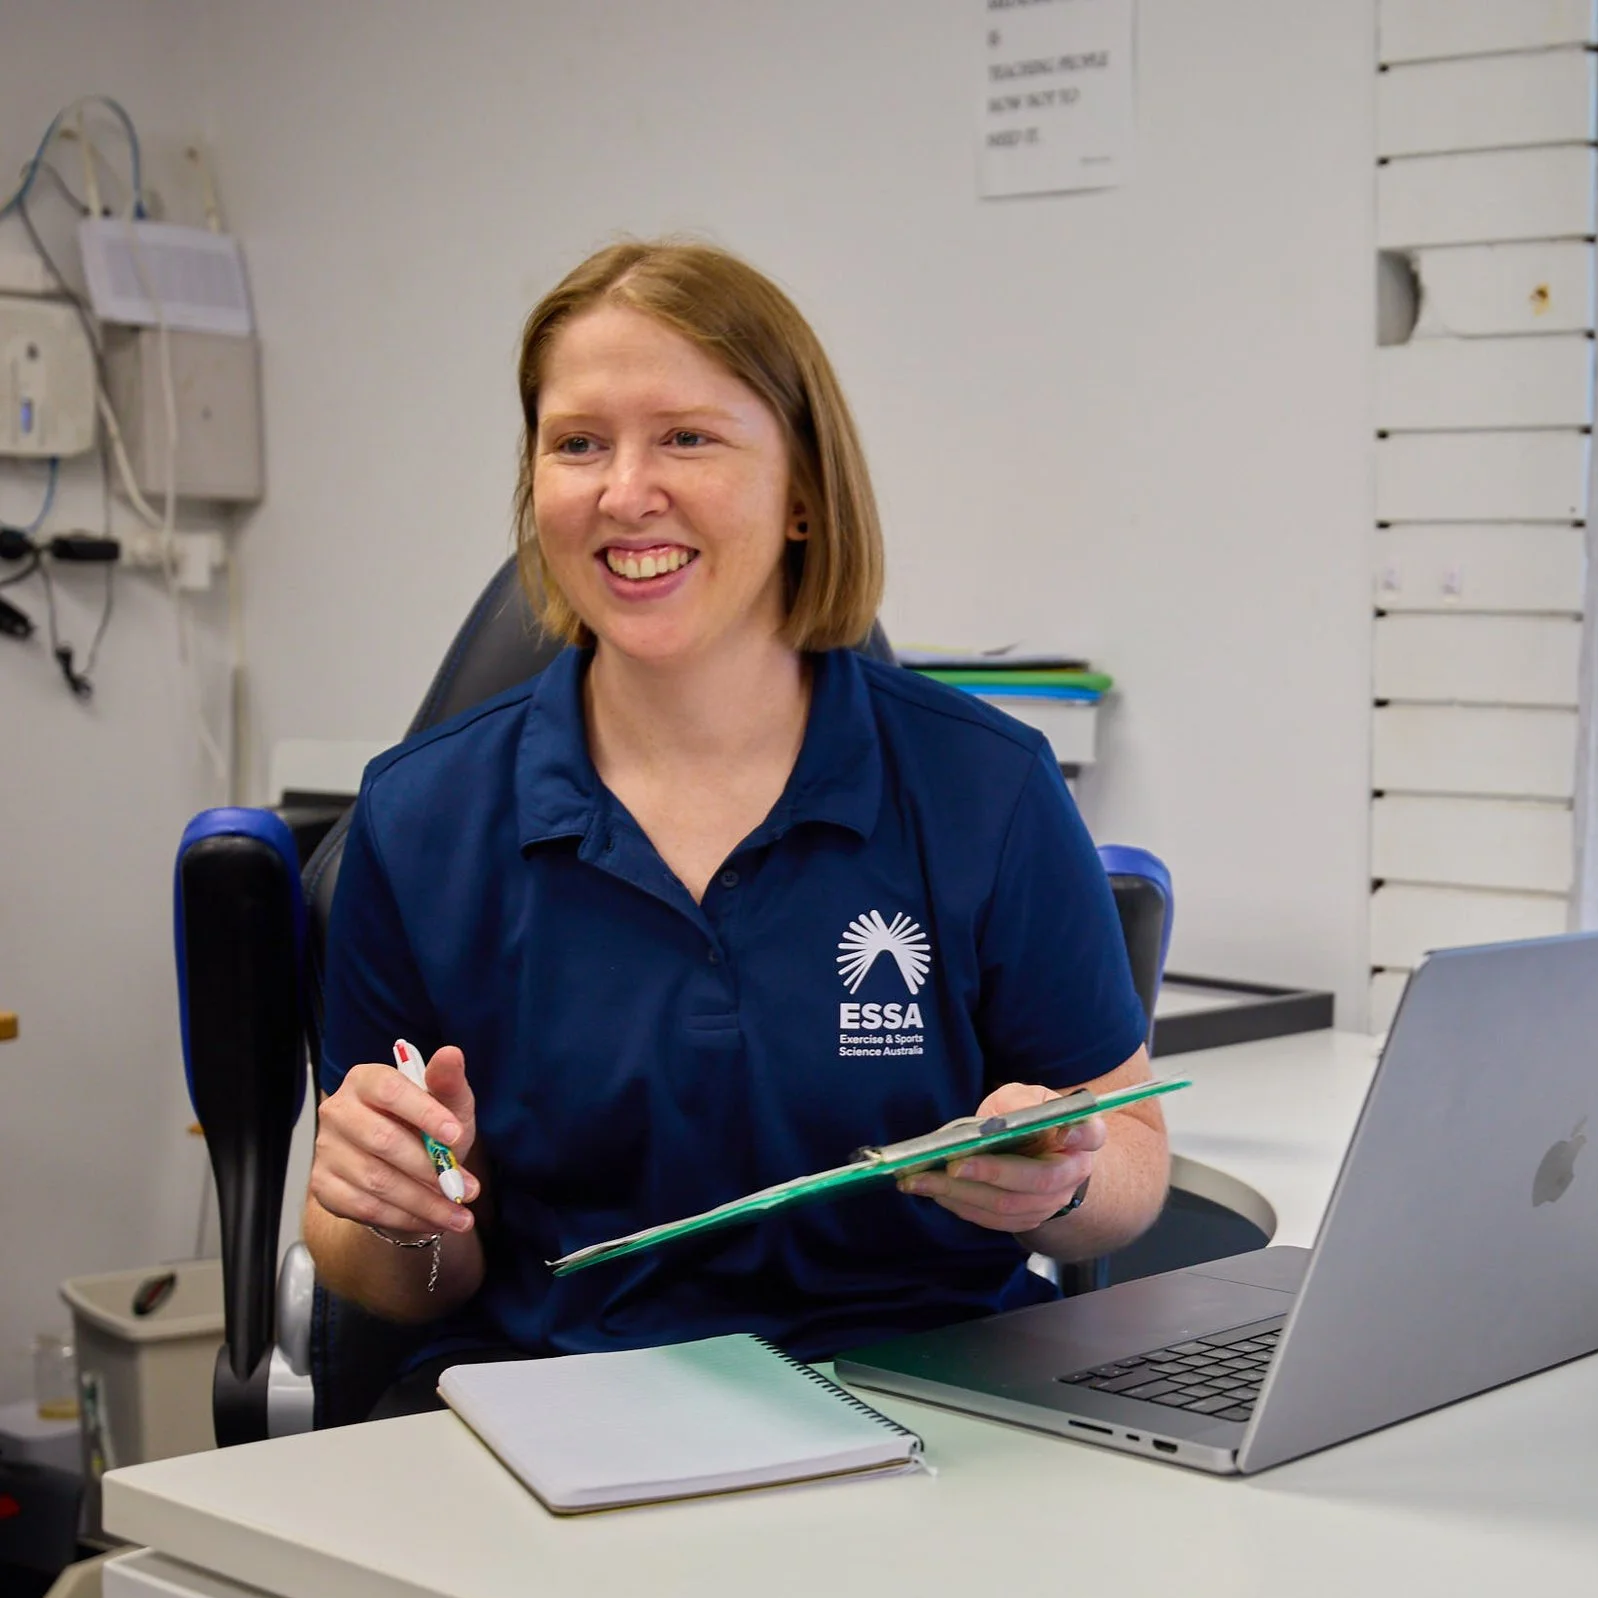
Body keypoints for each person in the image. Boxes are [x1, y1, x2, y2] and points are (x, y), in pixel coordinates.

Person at [303, 240, 1169, 1416]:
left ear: (804, 490)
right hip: (569, 1408)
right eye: (577, 444)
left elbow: (1129, 1159)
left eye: (687, 437)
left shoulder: (987, 786)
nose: (624, 492)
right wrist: (397, 1208)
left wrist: (1061, 1179)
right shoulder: (420, 818)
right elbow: (395, 1275)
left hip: (933, 1403)